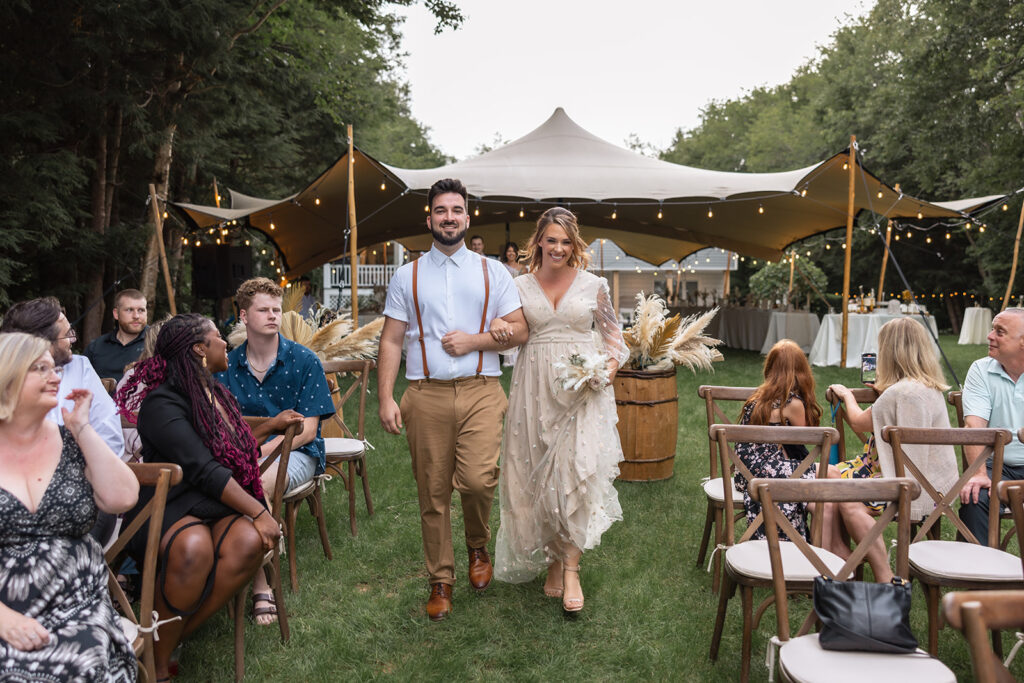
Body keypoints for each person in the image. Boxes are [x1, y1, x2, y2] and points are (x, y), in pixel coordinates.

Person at [378, 178, 527, 621]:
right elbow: (391, 341)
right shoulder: (407, 274)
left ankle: (477, 546)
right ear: (430, 218)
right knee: (433, 491)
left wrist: (475, 341)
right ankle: (440, 578)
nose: (449, 217)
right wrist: (386, 397)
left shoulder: (493, 271)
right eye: (441, 210)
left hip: (482, 390)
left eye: (456, 210)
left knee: (480, 481)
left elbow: (519, 329)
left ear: (467, 217)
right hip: (425, 395)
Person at [115, 314, 283, 680]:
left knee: (248, 542)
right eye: (218, 337)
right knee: (194, 547)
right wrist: (259, 510)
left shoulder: (216, 393)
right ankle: (159, 668)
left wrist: (270, 426)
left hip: (211, 502)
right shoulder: (161, 404)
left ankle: (166, 638)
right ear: (199, 349)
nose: (226, 343)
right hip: (168, 504)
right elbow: (203, 467)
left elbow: (232, 452)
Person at [492, 207, 627, 615]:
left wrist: (606, 371)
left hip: (580, 391)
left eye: (566, 242)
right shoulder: (518, 285)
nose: (558, 248)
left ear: (575, 244)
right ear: (538, 241)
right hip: (533, 389)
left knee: (573, 473)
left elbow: (614, 338)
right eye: (551, 240)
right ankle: (552, 558)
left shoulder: (594, 284)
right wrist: (498, 325)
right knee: (535, 474)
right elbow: (510, 327)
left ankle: (571, 568)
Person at [0, 332, 139, 680]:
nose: (56, 377)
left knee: (78, 667)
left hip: (76, 602)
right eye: (40, 369)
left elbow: (123, 497)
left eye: (54, 368)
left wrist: (82, 427)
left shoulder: (71, 440)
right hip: (4, 607)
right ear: (7, 377)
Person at [214, 277, 334, 624]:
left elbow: (308, 429)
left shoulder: (304, 360)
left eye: (276, 310)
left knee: (253, 484)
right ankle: (256, 568)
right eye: (263, 310)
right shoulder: (226, 366)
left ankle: (260, 585)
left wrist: (265, 450)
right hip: (241, 455)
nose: (272, 316)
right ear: (243, 316)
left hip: (299, 452)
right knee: (234, 481)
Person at [829, 317, 958, 580]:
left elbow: (858, 421)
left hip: (903, 482)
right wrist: (882, 392)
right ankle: (840, 555)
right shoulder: (927, 388)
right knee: (827, 476)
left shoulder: (898, 393)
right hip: (938, 486)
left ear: (889, 352)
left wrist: (847, 395)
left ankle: (880, 572)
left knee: (841, 493)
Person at [733, 340, 844, 550]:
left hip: (745, 474)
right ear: (801, 372)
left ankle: (831, 545)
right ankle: (833, 548)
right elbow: (807, 438)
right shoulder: (792, 403)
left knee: (827, 494)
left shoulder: (758, 397)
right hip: (765, 474)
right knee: (834, 474)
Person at [1, 297, 124, 458]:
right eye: (66, 335)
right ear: (42, 342)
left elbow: (111, 438)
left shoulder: (79, 367)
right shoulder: (6, 374)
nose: (73, 339)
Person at [959, 307, 1024, 545]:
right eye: (992, 329)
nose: (989, 335)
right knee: (976, 495)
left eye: (1000, 331)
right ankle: (980, 577)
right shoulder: (981, 369)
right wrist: (978, 473)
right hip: (996, 464)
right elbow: (974, 425)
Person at [84, 289, 148, 382]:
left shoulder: (157, 342)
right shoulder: (96, 348)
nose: (136, 316)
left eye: (141, 310)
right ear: (116, 314)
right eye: (129, 310)